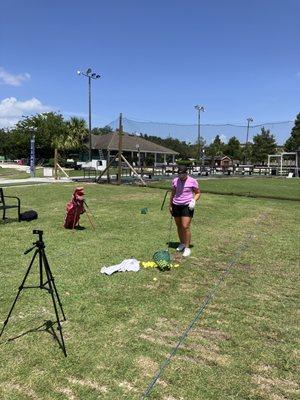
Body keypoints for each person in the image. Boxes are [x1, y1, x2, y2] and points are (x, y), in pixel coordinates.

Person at [169, 165, 200, 257]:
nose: (181, 175)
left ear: (187, 173)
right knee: (179, 225)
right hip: (176, 205)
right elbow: (173, 193)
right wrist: (170, 205)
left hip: (187, 205)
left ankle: (187, 247)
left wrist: (193, 200)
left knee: (185, 226)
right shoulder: (175, 181)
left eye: (183, 173)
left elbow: (198, 193)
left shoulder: (192, 181)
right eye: (179, 173)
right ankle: (182, 243)